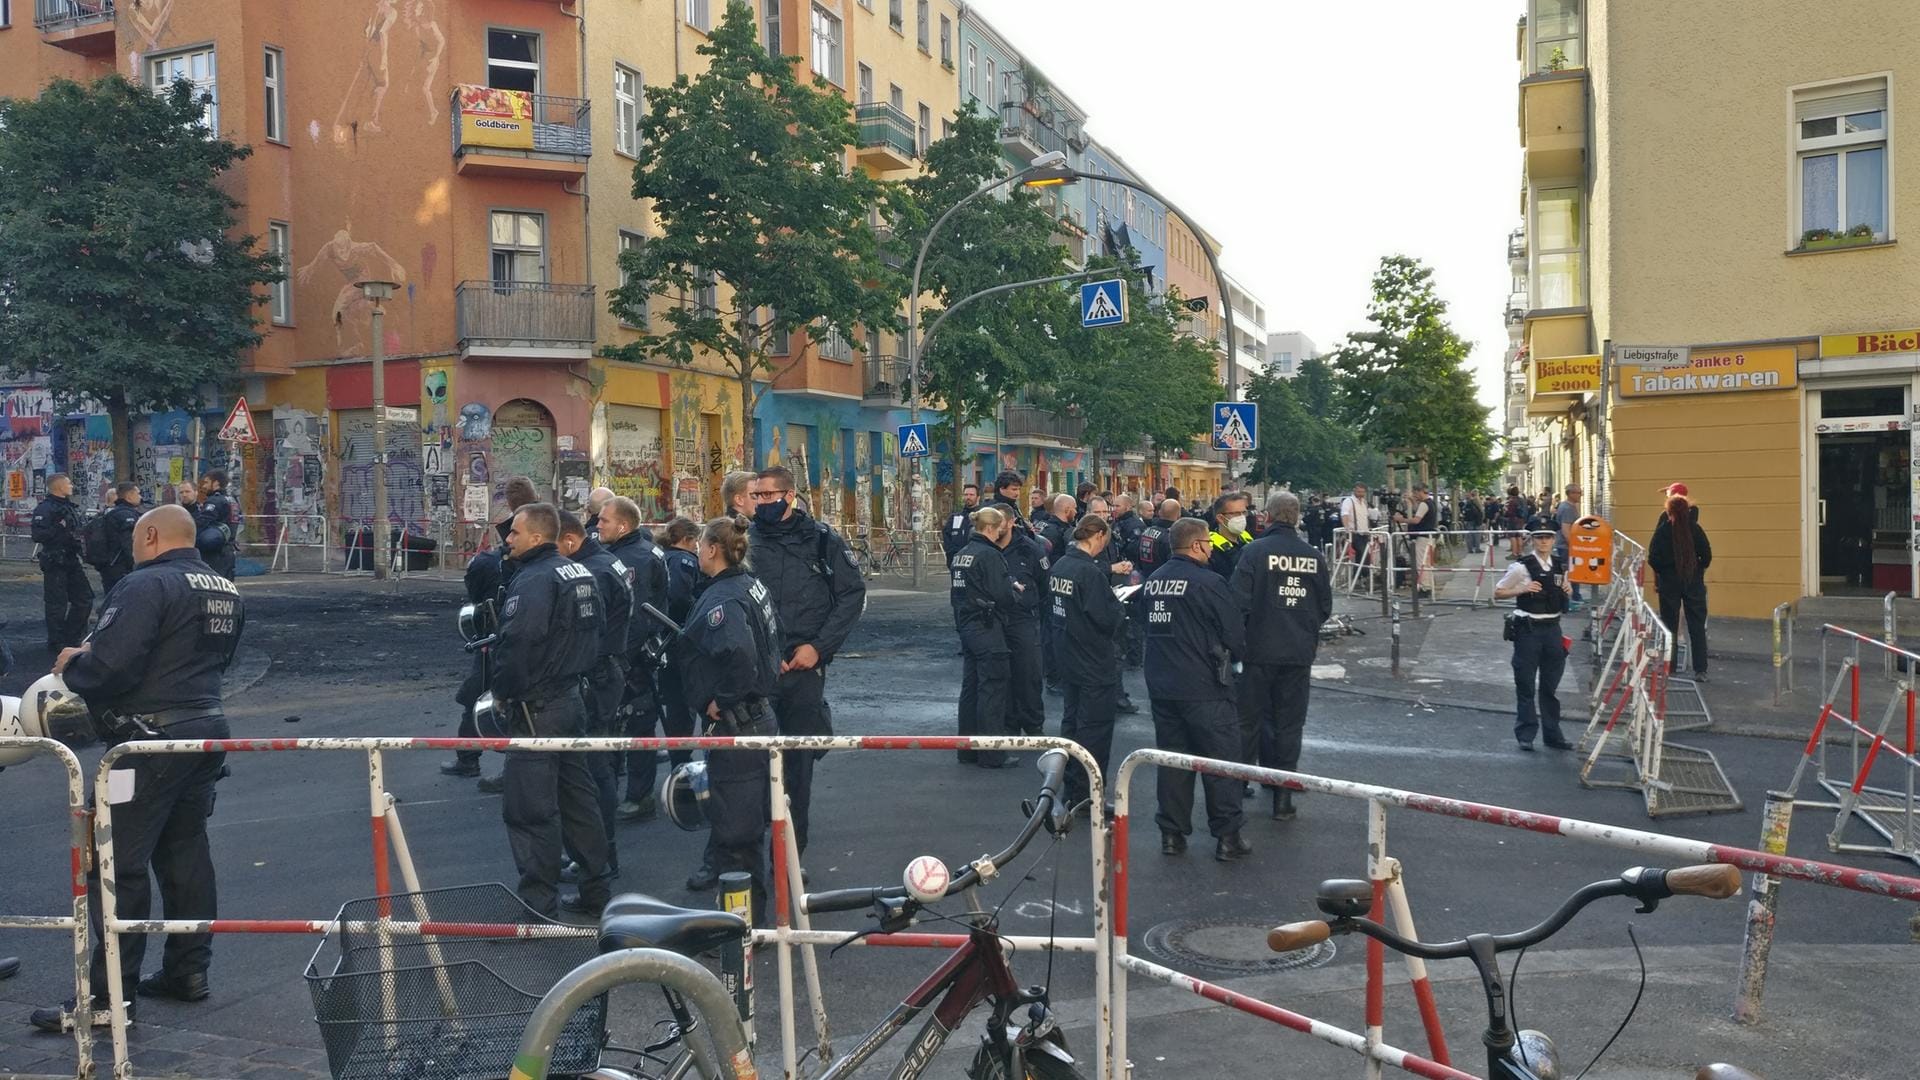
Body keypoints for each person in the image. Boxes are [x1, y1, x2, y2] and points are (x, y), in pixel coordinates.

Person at [31, 504, 244, 1032]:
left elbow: (108, 667)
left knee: (116, 864)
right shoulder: (223, 586)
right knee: (185, 853)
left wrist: (73, 663)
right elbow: (213, 660)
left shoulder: (144, 584)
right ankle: (187, 972)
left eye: (134, 537)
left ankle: (109, 999)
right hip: (206, 731)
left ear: (150, 535)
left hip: (147, 741)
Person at [489, 502, 611, 919]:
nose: (508, 539)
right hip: (571, 699)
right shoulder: (579, 572)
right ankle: (596, 888)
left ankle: (539, 907)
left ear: (537, 537)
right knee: (578, 800)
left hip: (537, 708)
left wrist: (502, 692)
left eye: (515, 533)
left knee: (529, 810)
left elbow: (517, 644)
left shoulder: (535, 580)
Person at [745, 466, 866, 862]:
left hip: (803, 667)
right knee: (746, 760)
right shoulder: (744, 539)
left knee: (798, 764)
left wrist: (818, 647)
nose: (761, 502)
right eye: (757, 495)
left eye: (768, 495)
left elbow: (850, 595)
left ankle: (792, 855)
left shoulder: (821, 539)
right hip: (757, 667)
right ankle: (737, 855)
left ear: (789, 496)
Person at [675, 517, 781, 918]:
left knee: (736, 836)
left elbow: (739, 652)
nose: (697, 550)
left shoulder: (724, 598)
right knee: (745, 828)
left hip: (740, 723)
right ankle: (739, 918)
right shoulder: (749, 585)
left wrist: (723, 699)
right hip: (755, 719)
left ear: (713, 549)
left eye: (701, 543)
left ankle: (743, 928)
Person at [1144, 518, 1251, 862]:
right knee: (1221, 763)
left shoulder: (1154, 581)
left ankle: (1172, 835)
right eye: (1208, 543)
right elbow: (1234, 634)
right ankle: (1227, 836)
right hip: (1205, 685)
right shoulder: (1209, 582)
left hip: (1163, 685)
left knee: (1173, 762)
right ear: (1197, 546)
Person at [1231, 493, 1333, 820]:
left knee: (1249, 720)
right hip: (1298, 652)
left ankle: (1239, 784)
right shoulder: (1314, 556)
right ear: (1297, 517)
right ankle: (1283, 795)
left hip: (1258, 650)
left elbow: (1238, 602)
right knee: (1289, 722)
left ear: (1268, 516)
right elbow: (1324, 607)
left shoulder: (1253, 552)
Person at [556, 510, 632, 887]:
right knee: (597, 766)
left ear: (569, 541)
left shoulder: (595, 572)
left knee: (593, 769)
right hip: (607, 671)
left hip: (597, 674)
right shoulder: (606, 562)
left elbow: (586, 630)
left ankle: (601, 857)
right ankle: (600, 854)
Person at [624, 515, 700, 824]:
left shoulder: (656, 556)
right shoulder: (682, 561)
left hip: (658, 642)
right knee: (679, 709)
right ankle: (682, 775)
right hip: (677, 642)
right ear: (687, 540)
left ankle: (650, 782)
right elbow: (680, 597)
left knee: (657, 709)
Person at [601, 498, 670, 822]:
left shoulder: (634, 559)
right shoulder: (642, 549)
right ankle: (620, 792)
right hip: (640, 654)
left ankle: (637, 796)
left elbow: (636, 615)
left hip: (633, 659)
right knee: (629, 725)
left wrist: (621, 661)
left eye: (604, 521)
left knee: (633, 724)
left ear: (623, 526)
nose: (598, 525)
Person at [1049, 514, 1124, 808]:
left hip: (1068, 655)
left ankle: (1072, 789)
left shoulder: (1061, 565)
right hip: (1093, 660)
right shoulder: (1089, 573)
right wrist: (1118, 606)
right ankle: (1088, 795)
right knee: (1095, 731)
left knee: (1072, 726)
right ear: (1099, 537)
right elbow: (1106, 619)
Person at [1493, 522, 1575, 752]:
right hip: (1528, 630)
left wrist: (1567, 590)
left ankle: (1553, 735)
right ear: (1532, 540)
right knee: (1526, 684)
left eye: (1548, 537)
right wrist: (1523, 589)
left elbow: (1562, 587)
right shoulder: (1520, 568)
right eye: (1539, 538)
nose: (1543, 542)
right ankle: (1526, 734)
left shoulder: (1559, 565)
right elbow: (1498, 593)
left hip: (1552, 630)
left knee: (1550, 686)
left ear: (1553, 540)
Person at [951, 506, 1020, 769]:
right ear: (991, 528)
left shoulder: (961, 554)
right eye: (1001, 526)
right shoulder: (989, 555)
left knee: (970, 690)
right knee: (992, 689)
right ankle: (992, 754)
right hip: (988, 628)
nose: (1004, 530)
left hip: (967, 626)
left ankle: (966, 750)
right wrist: (1015, 592)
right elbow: (1002, 595)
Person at [1649, 486, 1712, 681]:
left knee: (1670, 625)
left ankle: (1670, 666)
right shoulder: (1695, 528)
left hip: (1669, 583)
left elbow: (1653, 557)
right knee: (1697, 625)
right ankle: (1700, 670)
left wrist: (1665, 570)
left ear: (1669, 511)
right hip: (1693, 581)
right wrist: (1697, 568)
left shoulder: (1664, 529)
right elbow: (1707, 555)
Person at [31, 473, 91, 654]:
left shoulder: (69, 507)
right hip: (55, 560)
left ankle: (71, 636)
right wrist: (59, 527)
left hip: (71, 559)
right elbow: (38, 535)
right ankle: (57, 642)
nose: (71, 486)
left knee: (84, 599)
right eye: (68, 483)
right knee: (57, 604)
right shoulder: (46, 509)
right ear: (58, 486)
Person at [88, 483, 144, 596]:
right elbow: (128, 544)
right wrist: (137, 563)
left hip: (110, 565)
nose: (140, 497)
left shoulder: (114, 513)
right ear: (129, 496)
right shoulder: (126, 515)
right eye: (138, 493)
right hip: (121, 566)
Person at [194, 471, 239, 580]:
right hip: (229, 551)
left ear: (216, 483)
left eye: (207, 482)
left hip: (214, 553)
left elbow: (201, 522)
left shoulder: (214, 501)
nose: (204, 486)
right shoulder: (232, 500)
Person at [1396, 482, 1437, 595]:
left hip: (1423, 537)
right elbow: (1420, 513)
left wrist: (1401, 520)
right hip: (1429, 537)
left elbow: (1416, 520)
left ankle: (1424, 588)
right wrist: (1413, 503)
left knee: (1421, 563)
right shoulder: (1431, 503)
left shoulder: (1424, 504)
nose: (1415, 495)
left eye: (1415, 493)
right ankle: (1428, 585)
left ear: (1419, 491)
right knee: (1427, 563)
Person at [1206, 492, 1254, 578]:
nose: (1242, 517)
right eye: (1236, 514)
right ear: (1220, 518)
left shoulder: (1247, 539)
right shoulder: (1210, 547)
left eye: (1244, 512)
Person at [1553, 484, 1585, 609]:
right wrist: (1574, 546)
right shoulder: (1567, 508)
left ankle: (1574, 596)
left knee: (1571, 571)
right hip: (1566, 546)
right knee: (1570, 572)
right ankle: (1571, 598)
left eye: (1580, 492)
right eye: (1578, 492)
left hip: (1565, 545)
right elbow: (1566, 529)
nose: (1580, 495)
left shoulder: (1568, 506)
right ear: (1570, 493)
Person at [941, 483, 981, 566]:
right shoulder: (955, 517)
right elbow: (946, 536)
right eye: (966, 494)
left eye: (971, 495)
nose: (968, 497)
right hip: (956, 562)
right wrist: (952, 553)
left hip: (976, 562)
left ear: (978, 497)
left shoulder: (982, 516)